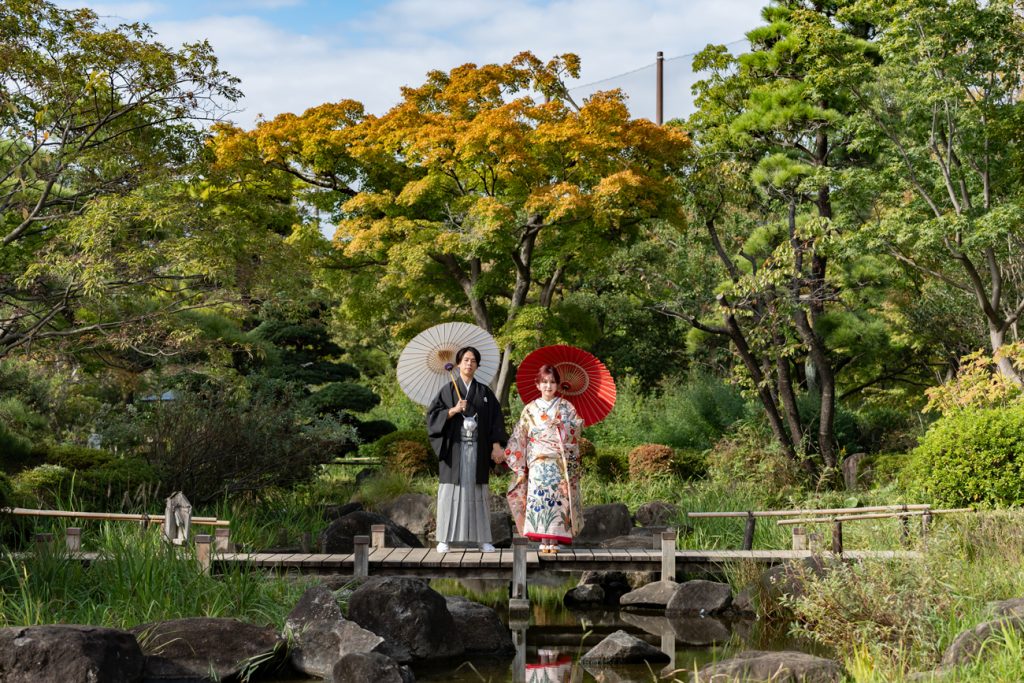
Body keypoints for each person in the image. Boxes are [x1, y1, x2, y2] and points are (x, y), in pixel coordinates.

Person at [427, 346, 507, 553]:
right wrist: (453, 410)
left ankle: (483, 539)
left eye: (473, 360)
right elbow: (432, 417)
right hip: (454, 450)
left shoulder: (485, 393)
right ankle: (444, 538)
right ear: (458, 364)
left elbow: (495, 420)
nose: (469, 363)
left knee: (478, 493)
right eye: (465, 360)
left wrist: (496, 446)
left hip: (478, 451)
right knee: (450, 493)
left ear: (477, 365)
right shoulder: (447, 390)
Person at [503, 364, 584, 554]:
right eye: (544, 382)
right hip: (538, 462)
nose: (548, 386)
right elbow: (519, 437)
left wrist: (564, 425)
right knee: (539, 501)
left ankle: (554, 539)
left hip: (558, 462)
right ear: (537, 384)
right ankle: (542, 538)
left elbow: (577, 430)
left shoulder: (566, 407)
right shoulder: (530, 409)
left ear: (557, 384)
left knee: (558, 501)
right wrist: (521, 468)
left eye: (552, 382)